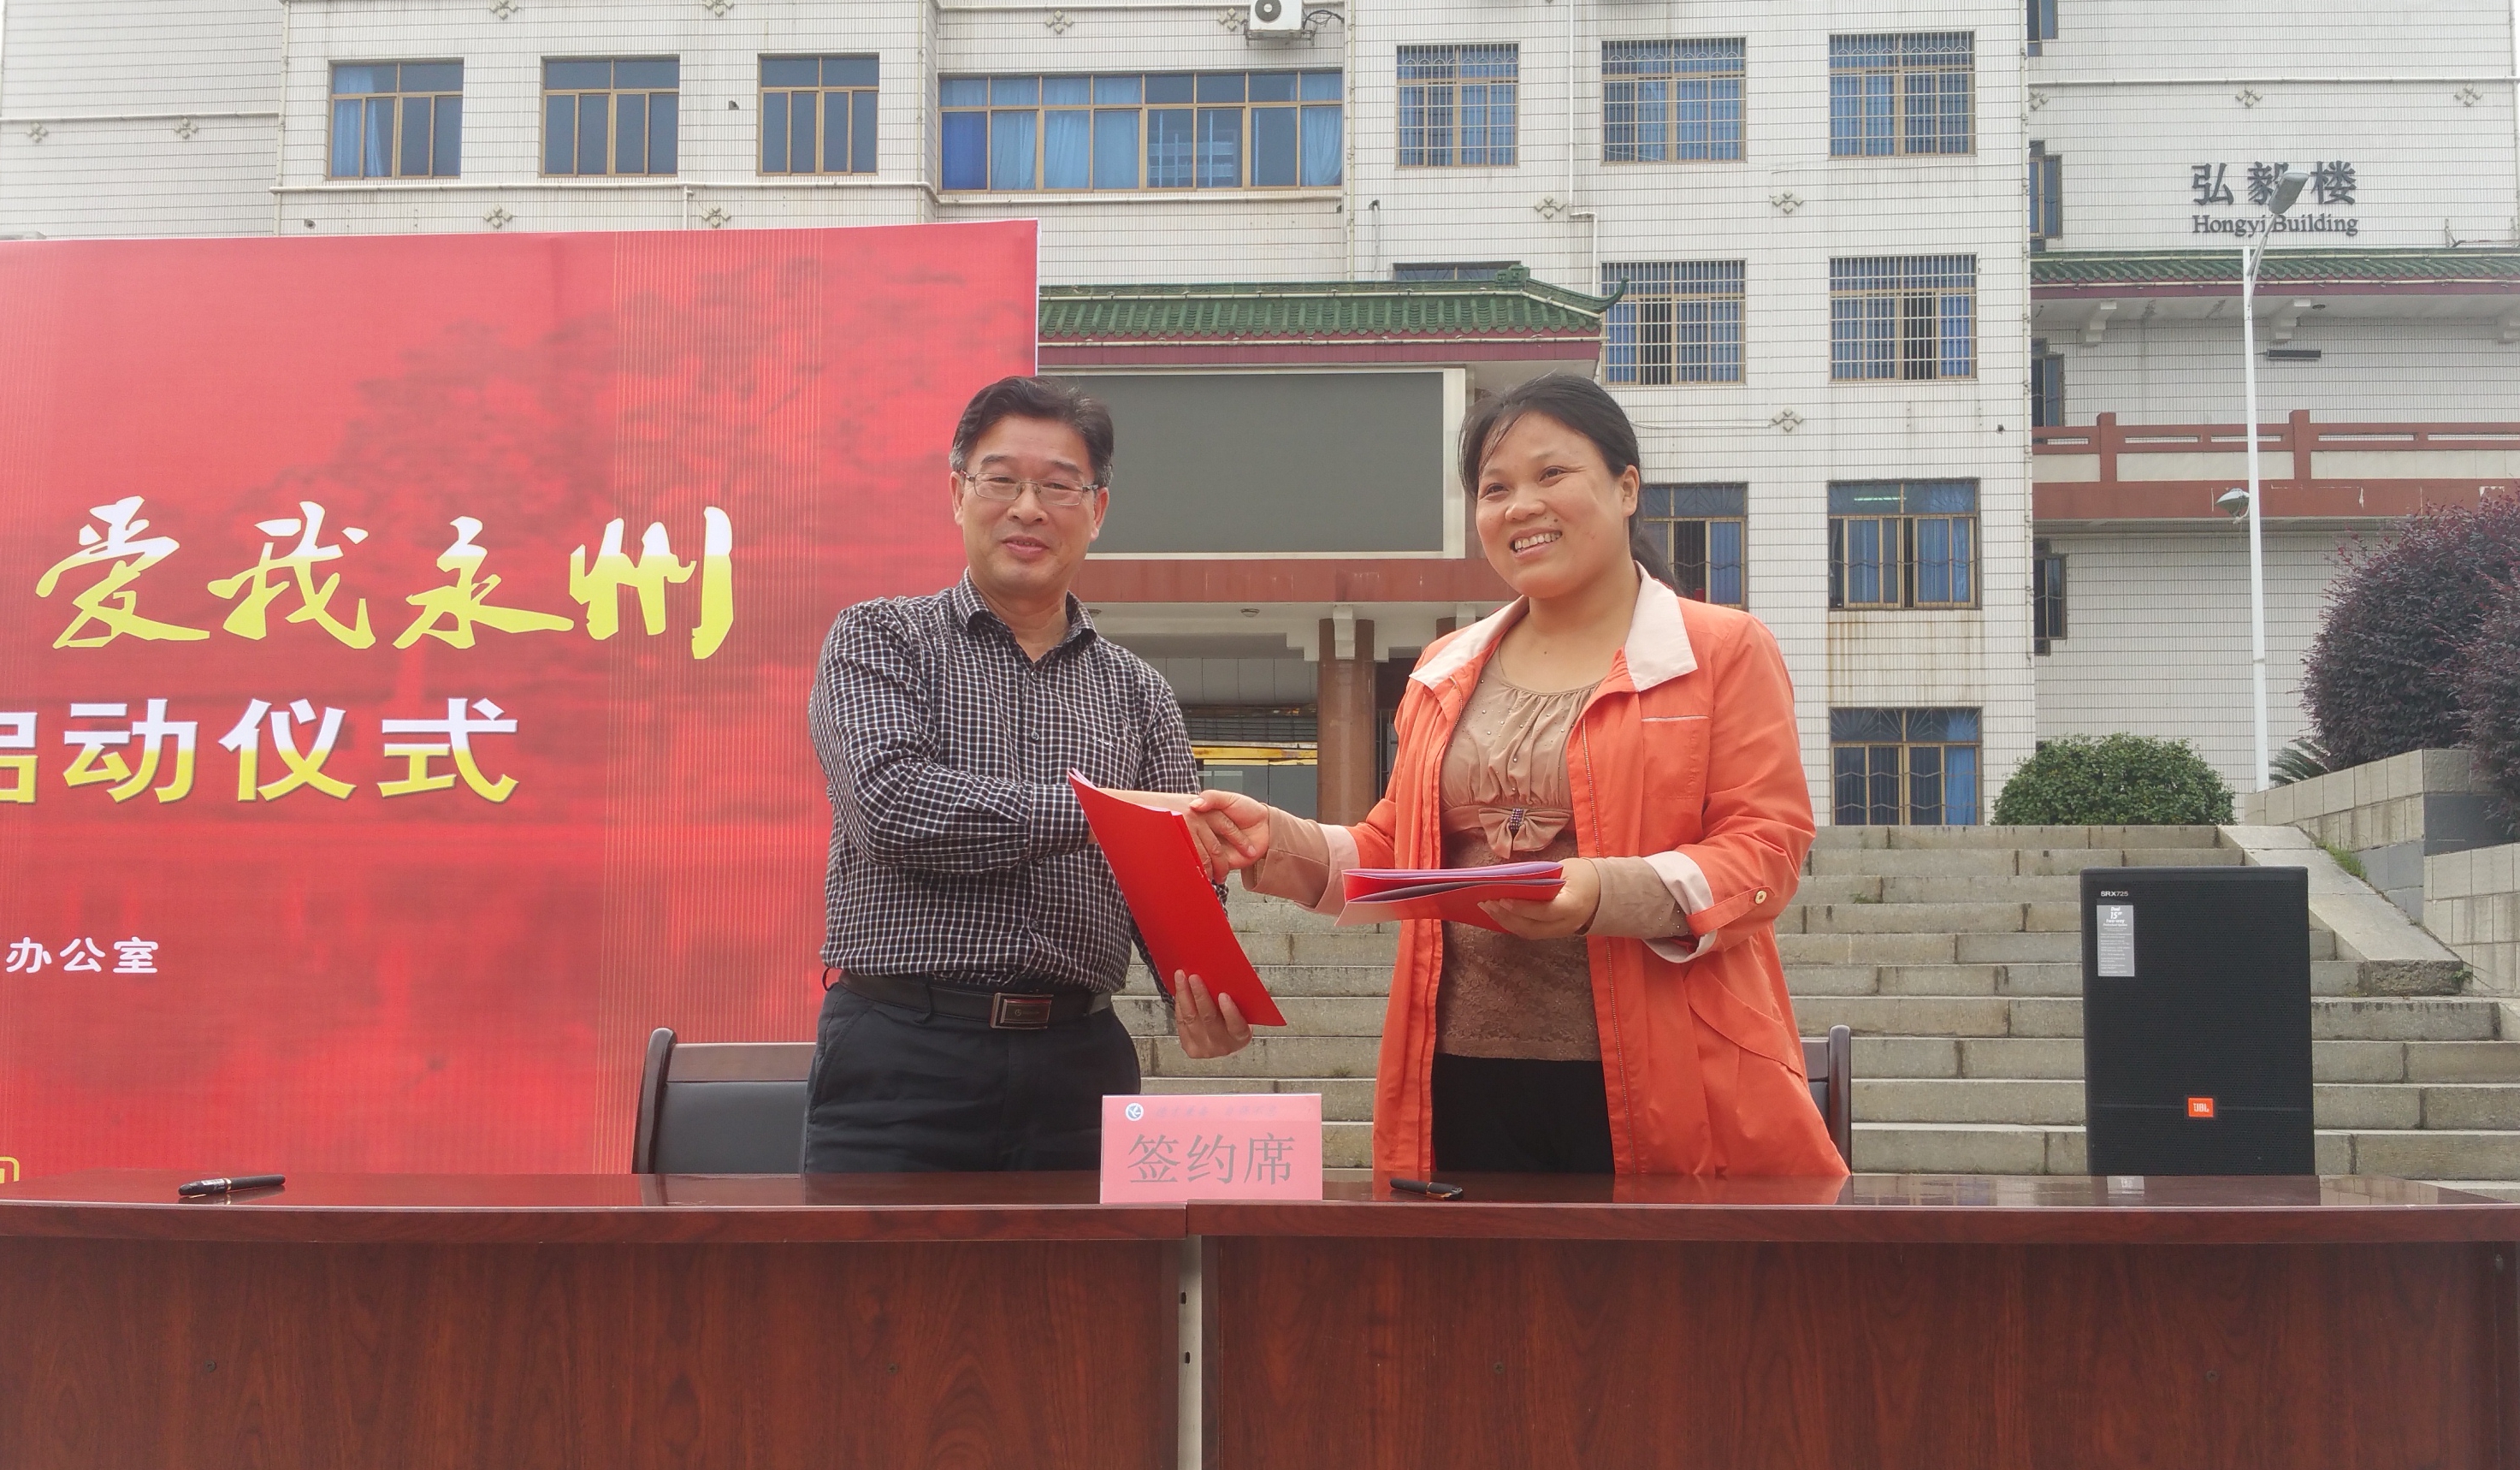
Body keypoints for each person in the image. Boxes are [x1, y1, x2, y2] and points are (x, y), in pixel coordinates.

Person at [1190, 375, 1845, 1178]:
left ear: (1627, 487)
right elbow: (1399, 851)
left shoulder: (1722, 651)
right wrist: (1275, 839)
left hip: (1667, 1069)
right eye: (1494, 489)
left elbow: (1765, 849)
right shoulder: (1444, 668)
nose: (1520, 506)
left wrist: (1601, 892)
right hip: (1460, 1073)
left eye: (1552, 474)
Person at [804, 376, 1251, 1174]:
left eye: (1058, 486)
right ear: (957, 493)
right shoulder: (879, 637)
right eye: (1002, 480)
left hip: (1080, 1062)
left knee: (1088, 1265)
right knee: (874, 1264)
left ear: (1097, 510)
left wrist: (1206, 989)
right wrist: (1112, 813)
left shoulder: (1139, 692)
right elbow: (891, 806)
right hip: (900, 1056)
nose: (1028, 508)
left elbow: (1176, 873)